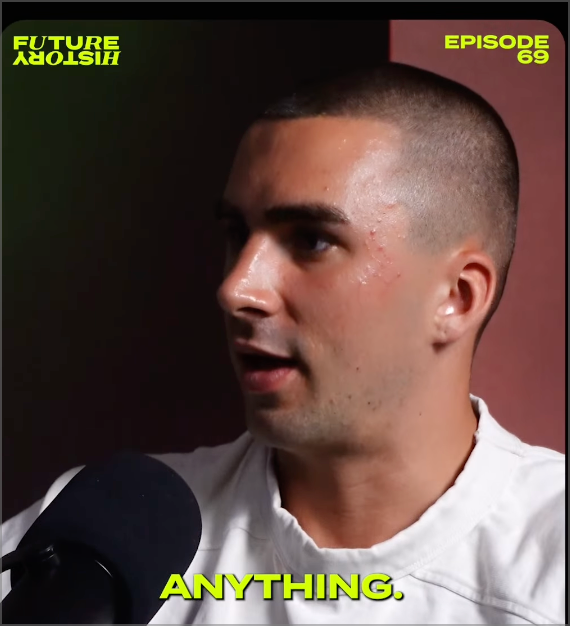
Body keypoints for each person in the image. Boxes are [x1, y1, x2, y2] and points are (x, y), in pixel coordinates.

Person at [2, 63, 564, 625]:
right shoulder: (98, 541)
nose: (236, 289)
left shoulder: (551, 564)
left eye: (312, 241)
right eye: (236, 235)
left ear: (457, 297)